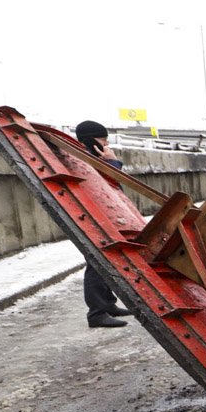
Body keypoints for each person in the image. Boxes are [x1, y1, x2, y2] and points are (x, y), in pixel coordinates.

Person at [74, 120, 135, 328]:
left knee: (103, 262)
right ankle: (97, 313)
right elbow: (111, 183)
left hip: (97, 216)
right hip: (93, 218)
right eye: (103, 140)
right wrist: (112, 162)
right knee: (96, 263)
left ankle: (107, 304)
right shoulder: (82, 159)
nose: (106, 145)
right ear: (91, 141)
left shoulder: (84, 156)